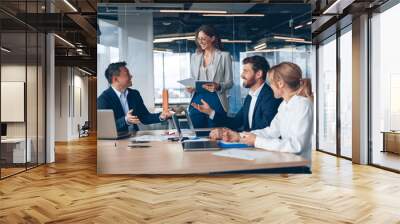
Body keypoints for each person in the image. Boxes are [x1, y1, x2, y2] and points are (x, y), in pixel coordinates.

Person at [217, 62, 313, 170]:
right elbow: (271, 131)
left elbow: (296, 145)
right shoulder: (284, 105)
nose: (270, 86)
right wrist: (240, 136)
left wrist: (256, 141)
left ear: (280, 84)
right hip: (287, 162)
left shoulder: (303, 105)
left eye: (271, 83)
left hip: (300, 166)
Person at [191, 55, 282, 132]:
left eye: (246, 71)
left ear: (258, 74)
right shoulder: (250, 97)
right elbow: (235, 122)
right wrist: (210, 112)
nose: (242, 75)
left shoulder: (270, 97)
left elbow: (265, 129)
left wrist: (238, 136)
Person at [97, 62, 173, 133]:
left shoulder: (134, 94)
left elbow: (144, 117)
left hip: (135, 138)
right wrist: (126, 120)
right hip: (116, 142)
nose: (131, 76)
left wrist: (161, 116)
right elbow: (105, 127)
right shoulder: (103, 100)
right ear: (115, 79)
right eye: (127, 74)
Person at [187, 25, 233, 128]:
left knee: (216, 135)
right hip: (197, 99)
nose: (201, 42)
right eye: (199, 39)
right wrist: (190, 87)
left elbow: (230, 82)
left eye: (203, 38)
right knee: (198, 134)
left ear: (212, 38)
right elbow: (193, 79)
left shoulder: (224, 56)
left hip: (216, 100)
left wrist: (218, 86)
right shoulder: (194, 57)